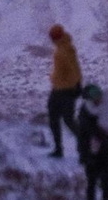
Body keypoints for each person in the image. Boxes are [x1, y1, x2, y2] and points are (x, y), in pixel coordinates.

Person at [47, 24, 82, 158]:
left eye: (53, 37)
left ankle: (83, 145)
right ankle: (59, 149)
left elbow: (74, 68)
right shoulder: (61, 47)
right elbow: (74, 68)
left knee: (67, 119)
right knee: (56, 119)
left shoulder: (66, 49)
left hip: (66, 90)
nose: (51, 39)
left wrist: (77, 85)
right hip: (58, 88)